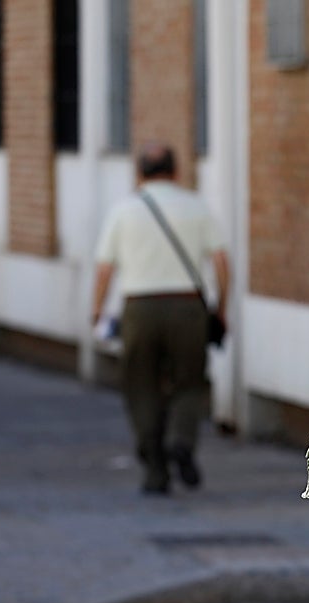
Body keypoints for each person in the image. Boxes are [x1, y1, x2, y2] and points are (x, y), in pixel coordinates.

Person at [92, 142, 231, 495]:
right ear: (177, 170)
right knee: (189, 382)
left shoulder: (123, 211)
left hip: (139, 308)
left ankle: (155, 471)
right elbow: (220, 263)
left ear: (139, 173)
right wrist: (220, 308)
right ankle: (181, 442)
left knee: (142, 387)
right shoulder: (196, 207)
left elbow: (105, 268)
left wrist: (97, 310)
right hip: (187, 307)